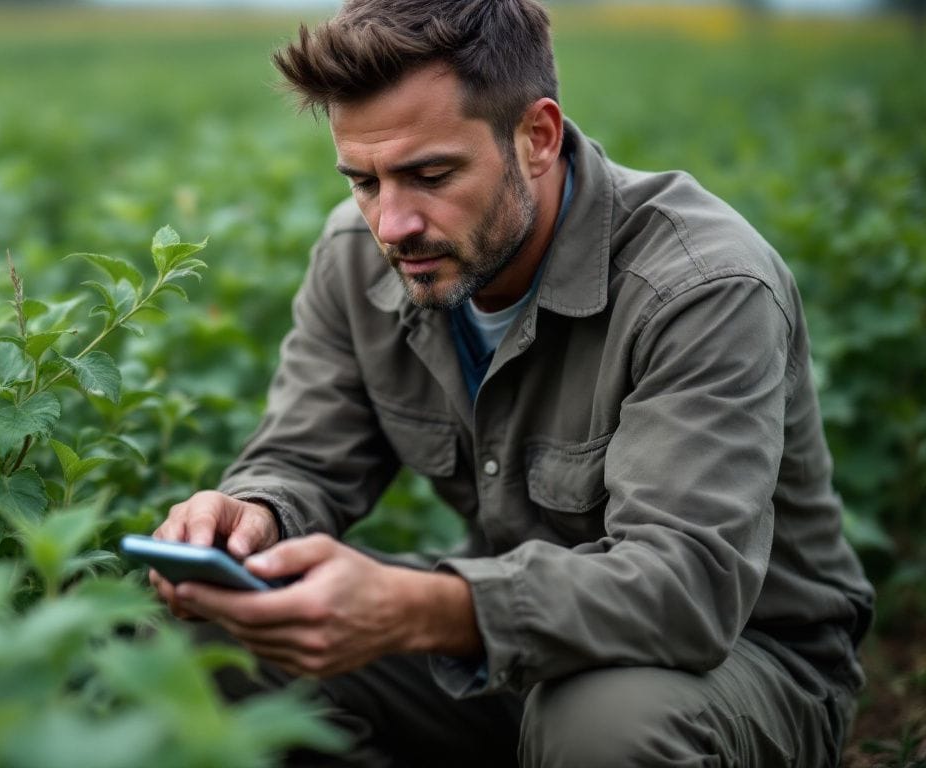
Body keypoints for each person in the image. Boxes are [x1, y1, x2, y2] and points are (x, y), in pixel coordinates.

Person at [145, 0, 875, 765]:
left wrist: (427, 609)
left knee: (601, 721)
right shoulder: (356, 259)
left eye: (430, 175)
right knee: (215, 644)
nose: (391, 224)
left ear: (537, 137)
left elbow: (685, 588)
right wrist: (253, 513)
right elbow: (302, 457)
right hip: (508, 653)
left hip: (731, 664)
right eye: (363, 181)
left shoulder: (701, 285)